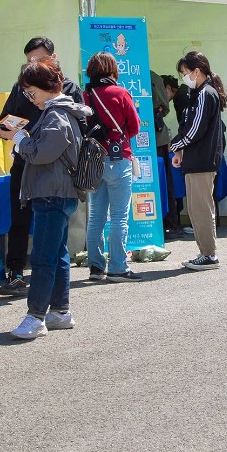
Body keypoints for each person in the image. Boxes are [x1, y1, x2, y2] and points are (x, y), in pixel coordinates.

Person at [0, 59, 91, 339]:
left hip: (52, 193)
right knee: (57, 255)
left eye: (31, 92)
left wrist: (18, 139)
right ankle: (60, 312)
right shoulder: (63, 112)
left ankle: (35, 316)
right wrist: (25, 139)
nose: (29, 98)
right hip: (58, 192)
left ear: (48, 87)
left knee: (42, 258)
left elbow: (41, 154)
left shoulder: (56, 115)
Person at [83, 51, 143, 283]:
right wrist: (120, 136)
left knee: (96, 216)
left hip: (94, 161)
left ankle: (96, 267)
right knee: (119, 216)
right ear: (112, 70)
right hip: (119, 159)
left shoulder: (85, 94)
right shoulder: (120, 92)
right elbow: (135, 126)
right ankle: (118, 266)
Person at [169, 51, 227, 270]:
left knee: (201, 208)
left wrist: (175, 145)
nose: (184, 77)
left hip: (203, 160)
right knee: (196, 208)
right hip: (195, 159)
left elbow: (195, 130)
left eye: (185, 73)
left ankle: (209, 254)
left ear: (197, 71)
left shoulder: (205, 93)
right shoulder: (199, 93)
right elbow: (191, 128)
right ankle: (205, 252)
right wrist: (181, 151)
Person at [152, 73, 185, 238]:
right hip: (158, 140)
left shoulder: (147, 76)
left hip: (146, 139)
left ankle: (168, 223)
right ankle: (170, 224)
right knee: (165, 182)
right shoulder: (153, 78)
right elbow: (164, 107)